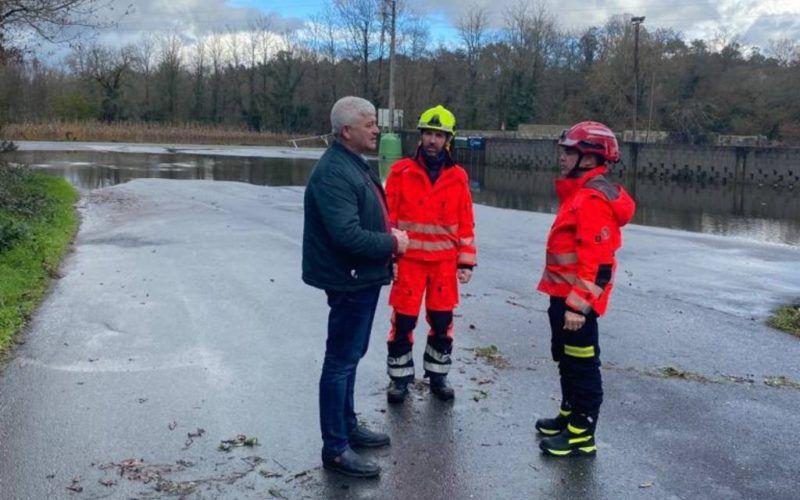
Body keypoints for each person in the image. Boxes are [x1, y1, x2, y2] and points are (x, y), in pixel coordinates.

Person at [302, 96, 410, 477]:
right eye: (368, 124)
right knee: (340, 361)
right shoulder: (334, 172)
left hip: (361, 277)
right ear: (347, 131)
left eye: (375, 123)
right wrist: (392, 243)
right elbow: (346, 236)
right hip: (348, 279)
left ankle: (347, 427)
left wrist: (385, 237)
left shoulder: (352, 164)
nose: (376, 129)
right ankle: (335, 448)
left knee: (351, 356)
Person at [534, 121, 636, 457]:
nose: (562, 157)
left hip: (576, 304)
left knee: (582, 365)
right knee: (565, 359)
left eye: (569, 151)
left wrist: (579, 307)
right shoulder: (578, 193)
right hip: (562, 296)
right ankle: (568, 415)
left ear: (589, 158)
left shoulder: (592, 199)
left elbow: (599, 263)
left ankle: (582, 432)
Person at [383, 105, 477, 403]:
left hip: (443, 265)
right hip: (408, 263)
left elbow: (465, 221)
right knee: (403, 323)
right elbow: (388, 219)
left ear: (448, 139)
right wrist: (389, 259)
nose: (432, 141)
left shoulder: (458, 176)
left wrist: (466, 261)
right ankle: (399, 380)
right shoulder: (401, 172)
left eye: (439, 135)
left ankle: (438, 376)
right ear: (420, 136)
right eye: (428, 134)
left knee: (441, 322)